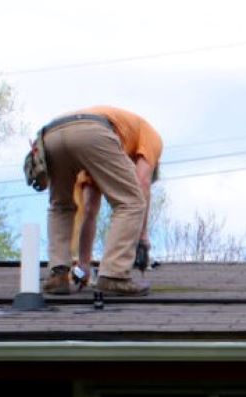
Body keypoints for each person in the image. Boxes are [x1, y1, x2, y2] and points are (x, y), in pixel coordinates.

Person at [39, 106, 162, 296]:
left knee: (61, 206)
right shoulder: (150, 136)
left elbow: (90, 210)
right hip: (92, 132)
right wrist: (142, 237)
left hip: (52, 134)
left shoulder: (103, 157)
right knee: (131, 202)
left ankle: (58, 276)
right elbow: (142, 184)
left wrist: (84, 264)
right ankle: (115, 276)